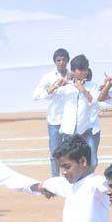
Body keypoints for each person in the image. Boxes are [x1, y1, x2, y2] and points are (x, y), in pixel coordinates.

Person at [57, 55, 103, 168]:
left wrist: (83, 90)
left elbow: (96, 104)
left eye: (86, 69)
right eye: (81, 69)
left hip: (89, 129)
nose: (84, 72)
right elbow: (43, 95)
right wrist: (57, 85)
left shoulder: (92, 86)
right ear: (73, 71)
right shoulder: (66, 86)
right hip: (69, 131)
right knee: (69, 161)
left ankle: (87, 183)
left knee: (92, 162)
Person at [33, 48, 71, 177]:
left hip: (71, 119)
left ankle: (69, 179)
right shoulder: (49, 77)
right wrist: (54, 87)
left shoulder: (73, 76)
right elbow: (37, 95)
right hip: (55, 119)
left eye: (63, 60)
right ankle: (55, 179)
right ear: (54, 62)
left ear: (68, 60)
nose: (61, 62)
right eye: (58, 60)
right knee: (55, 152)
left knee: (70, 152)